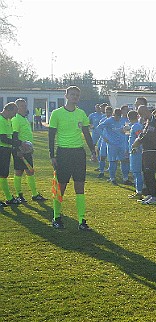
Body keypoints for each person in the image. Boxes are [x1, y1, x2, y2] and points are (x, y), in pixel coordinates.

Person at [47, 86, 98, 230]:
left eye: (77, 95)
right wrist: (52, 156)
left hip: (79, 154)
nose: (74, 97)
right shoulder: (57, 113)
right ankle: (56, 217)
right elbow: (51, 136)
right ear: (66, 95)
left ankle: (82, 221)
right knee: (61, 186)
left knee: (80, 185)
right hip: (63, 153)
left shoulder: (81, 113)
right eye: (72, 94)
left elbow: (87, 134)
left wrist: (93, 151)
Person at [11, 99, 45, 202]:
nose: (24, 108)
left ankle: (32, 194)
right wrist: (18, 150)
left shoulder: (24, 118)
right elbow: (14, 136)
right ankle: (20, 195)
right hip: (20, 151)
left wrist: (31, 148)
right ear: (17, 108)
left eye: (25, 106)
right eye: (22, 106)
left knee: (28, 171)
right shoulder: (16, 119)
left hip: (27, 151)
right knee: (20, 172)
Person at [98, 107, 128, 185]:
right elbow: (98, 128)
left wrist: (125, 131)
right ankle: (112, 178)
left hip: (121, 144)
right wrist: (104, 138)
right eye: (116, 116)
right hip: (112, 145)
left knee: (124, 160)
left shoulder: (123, 120)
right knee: (113, 161)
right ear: (113, 115)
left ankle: (125, 178)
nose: (118, 118)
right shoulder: (109, 120)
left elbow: (127, 130)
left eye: (119, 116)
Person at [0, 102, 20, 206]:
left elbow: (10, 137)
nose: (15, 115)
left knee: (3, 174)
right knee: (2, 174)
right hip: (2, 149)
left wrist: (17, 145)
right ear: (9, 110)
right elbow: (3, 139)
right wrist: (19, 143)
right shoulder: (1, 120)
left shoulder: (8, 120)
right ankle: (9, 198)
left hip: (6, 150)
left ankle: (9, 198)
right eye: (14, 112)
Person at [127, 110, 145, 199]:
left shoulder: (136, 126)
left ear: (128, 118)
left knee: (137, 172)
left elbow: (140, 137)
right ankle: (139, 190)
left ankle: (139, 191)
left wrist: (136, 148)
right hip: (134, 151)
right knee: (136, 172)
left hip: (136, 152)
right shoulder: (134, 126)